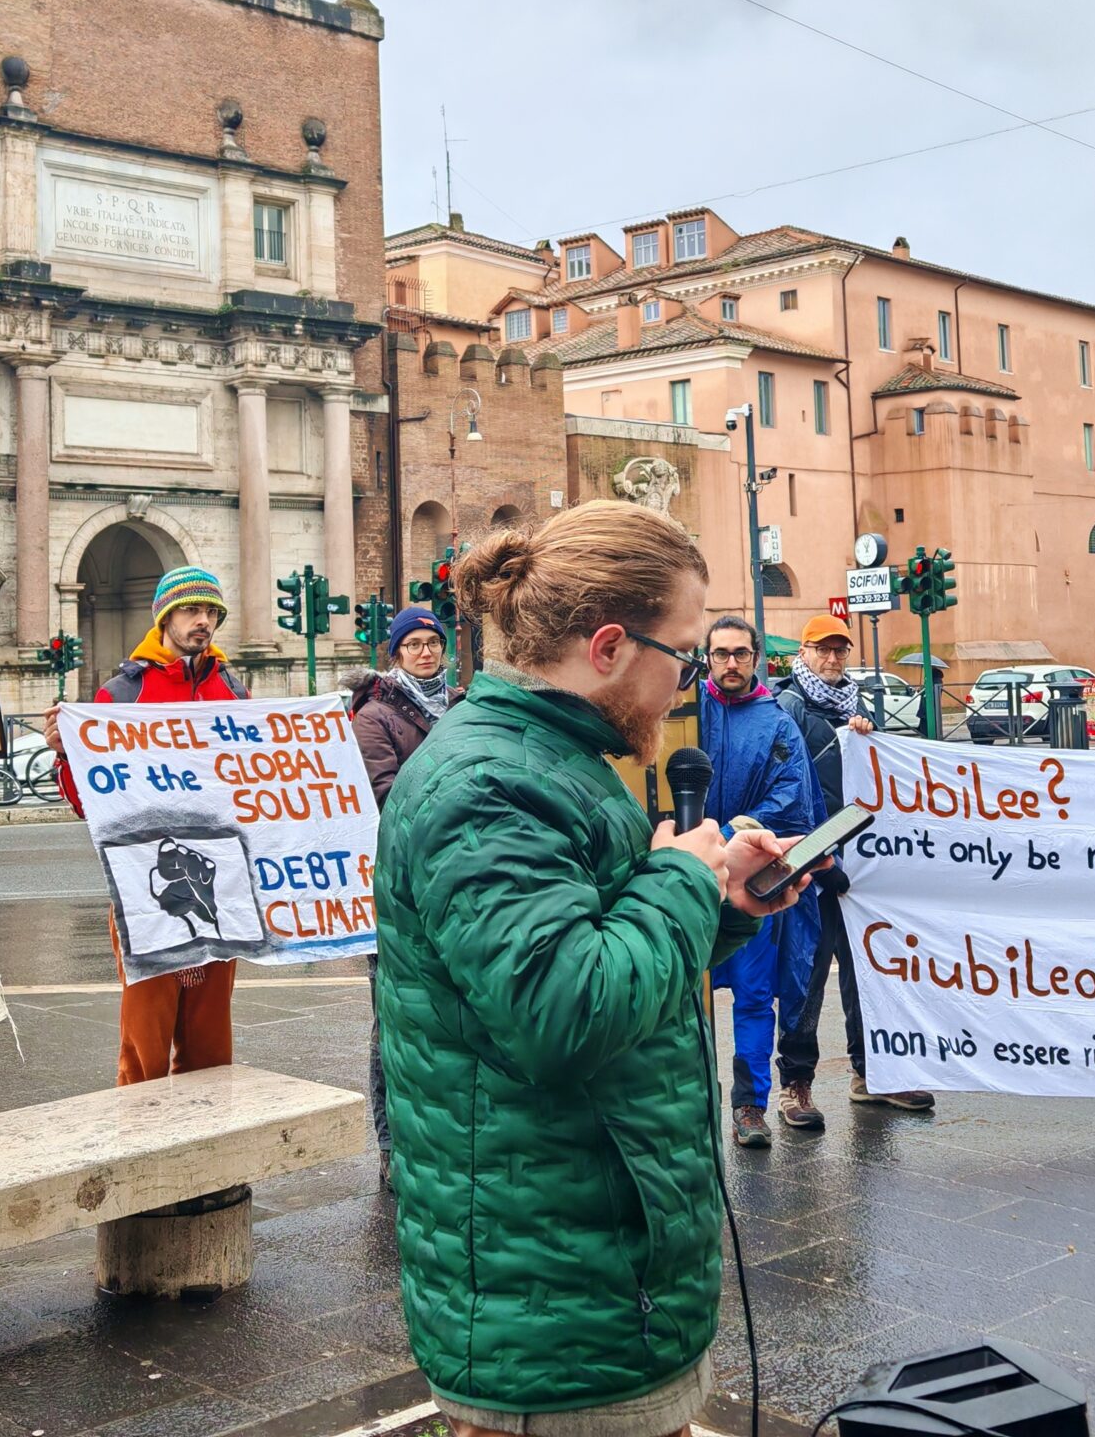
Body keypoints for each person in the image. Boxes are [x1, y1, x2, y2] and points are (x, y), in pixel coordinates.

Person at [374, 501, 816, 1437]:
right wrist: (683, 877)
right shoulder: (491, 785)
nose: (691, 685)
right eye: (687, 657)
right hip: (548, 1305)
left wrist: (720, 906)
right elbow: (559, 1007)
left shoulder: (553, 762)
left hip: (593, 1270)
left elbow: (612, 957)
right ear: (610, 647)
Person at [43, 565, 247, 1084]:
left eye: (211, 613)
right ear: (165, 617)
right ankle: (139, 1138)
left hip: (219, 882)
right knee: (145, 1045)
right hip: (143, 887)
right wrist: (67, 756)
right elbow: (89, 803)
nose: (203, 622)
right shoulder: (122, 694)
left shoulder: (234, 689)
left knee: (211, 1040)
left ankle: (207, 1139)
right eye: (191, 611)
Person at [774, 615, 932, 1120]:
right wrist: (819, 860)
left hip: (861, 867)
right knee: (808, 976)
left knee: (866, 973)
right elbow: (792, 790)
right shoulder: (788, 707)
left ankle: (872, 1075)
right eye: (824, 650)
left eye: (841, 650)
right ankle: (795, 1085)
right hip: (814, 862)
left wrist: (867, 734)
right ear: (804, 652)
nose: (833, 658)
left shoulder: (858, 707)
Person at [696, 616, 819, 1150]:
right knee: (679, 997)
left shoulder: (777, 724)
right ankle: (690, 1103)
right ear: (707, 657)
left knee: (753, 996)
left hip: (747, 882)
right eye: (720, 653)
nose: (730, 663)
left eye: (739, 654)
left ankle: (749, 1105)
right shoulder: (683, 711)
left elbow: (790, 800)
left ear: (756, 658)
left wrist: (722, 836)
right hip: (684, 876)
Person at [349, 606, 458, 1177]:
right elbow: (387, 796)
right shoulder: (375, 717)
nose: (424, 652)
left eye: (431, 642)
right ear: (395, 653)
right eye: (412, 644)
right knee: (393, 1017)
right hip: (399, 887)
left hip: (458, 882)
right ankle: (392, 1144)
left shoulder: (463, 707)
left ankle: (440, 1135)